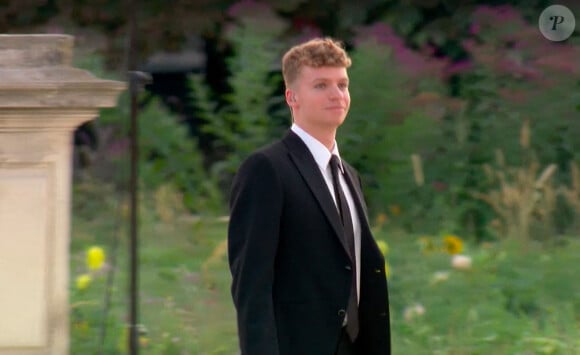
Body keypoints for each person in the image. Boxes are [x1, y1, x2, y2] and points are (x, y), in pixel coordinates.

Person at [227, 37, 391, 355]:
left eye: (342, 85)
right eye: (321, 85)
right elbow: (251, 284)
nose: (336, 94)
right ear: (292, 97)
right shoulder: (266, 168)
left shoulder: (349, 176)